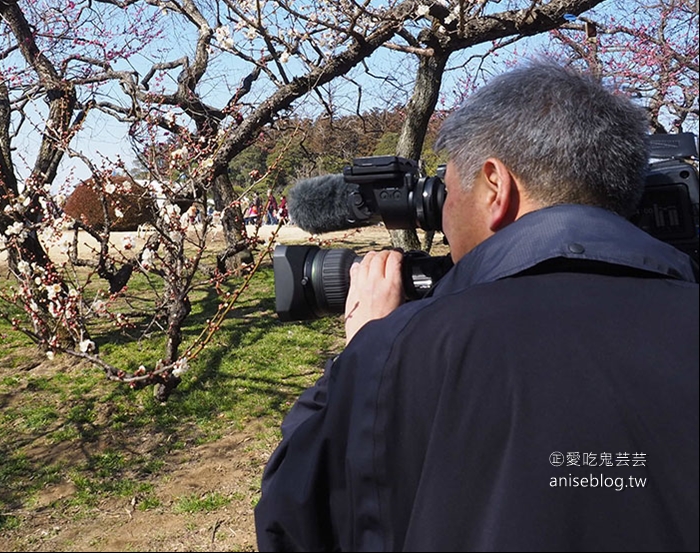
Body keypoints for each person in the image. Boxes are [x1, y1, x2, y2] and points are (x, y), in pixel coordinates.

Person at [254, 61, 698, 552]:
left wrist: (366, 359)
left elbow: (293, 527)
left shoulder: (401, 352)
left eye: (447, 188)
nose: (442, 214)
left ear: (494, 186)